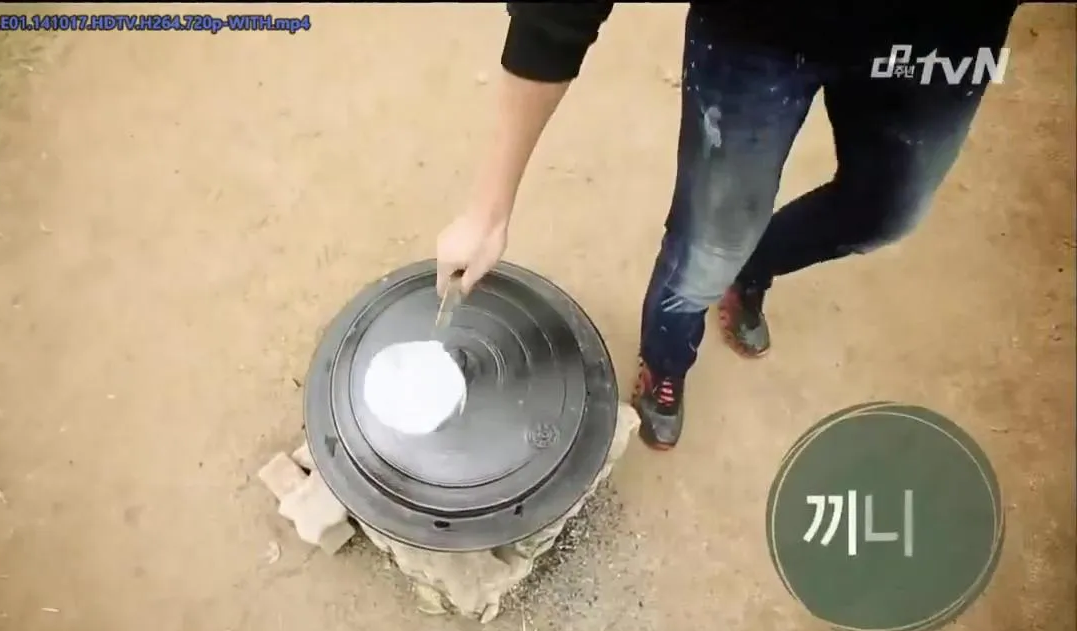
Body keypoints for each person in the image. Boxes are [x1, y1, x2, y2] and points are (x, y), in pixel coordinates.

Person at [434, 2, 1018, 450]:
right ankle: (665, 364)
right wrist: (489, 208)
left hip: (946, 33)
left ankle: (753, 266)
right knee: (710, 246)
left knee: (885, 215)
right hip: (761, 30)